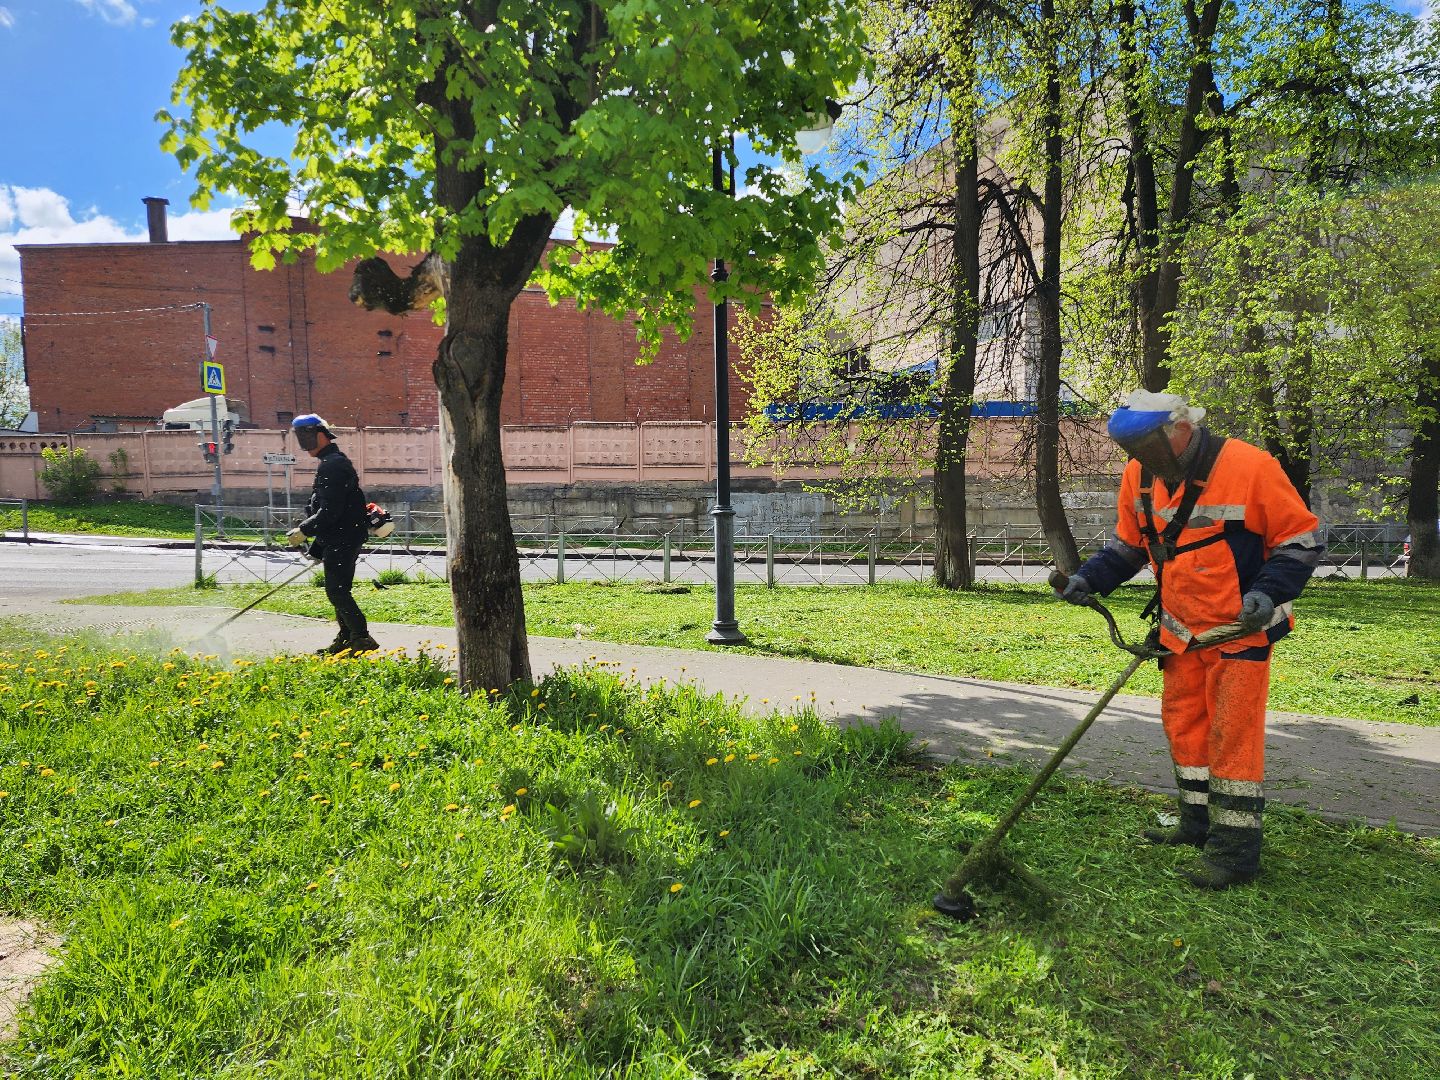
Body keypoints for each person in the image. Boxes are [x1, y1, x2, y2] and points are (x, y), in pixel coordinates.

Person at [1055, 390, 1323, 889]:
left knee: (1232, 737)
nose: (1146, 463)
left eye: (1152, 449)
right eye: (1136, 453)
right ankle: (1196, 823)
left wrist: (1268, 593)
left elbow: (1300, 540)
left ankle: (1235, 851)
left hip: (1238, 631)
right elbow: (1130, 546)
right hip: (1179, 633)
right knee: (1185, 728)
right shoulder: (1139, 476)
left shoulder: (1250, 465)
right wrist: (1089, 579)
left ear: (1181, 427)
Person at [285, 414, 379, 654]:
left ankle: (361, 638)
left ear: (320, 435)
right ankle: (347, 638)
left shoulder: (333, 465)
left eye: (305, 437)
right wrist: (317, 545)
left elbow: (331, 511)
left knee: (337, 591)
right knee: (339, 590)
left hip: (343, 538)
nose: (303, 444)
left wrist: (304, 530)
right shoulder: (332, 462)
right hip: (341, 537)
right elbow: (334, 509)